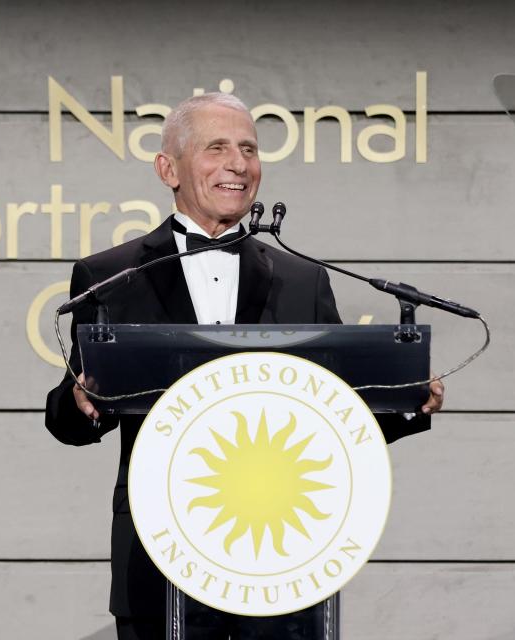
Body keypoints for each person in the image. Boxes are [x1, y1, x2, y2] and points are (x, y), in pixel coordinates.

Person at [45, 92, 444, 640]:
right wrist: (79, 400)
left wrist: (405, 402)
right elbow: (70, 419)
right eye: (217, 148)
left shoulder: (304, 280)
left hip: (282, 562)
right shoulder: (110, 274)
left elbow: (334, 420)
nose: (239, 164)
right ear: (169, 169)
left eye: (249, 149)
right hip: (159, 563)